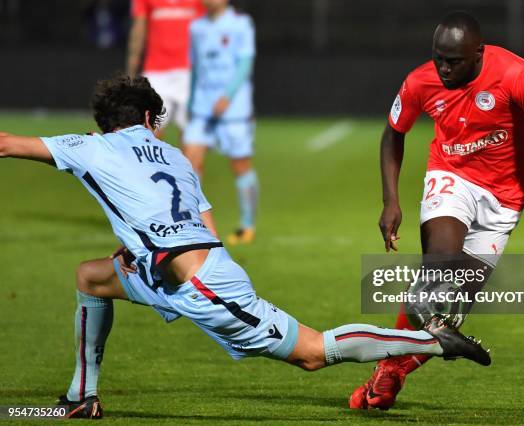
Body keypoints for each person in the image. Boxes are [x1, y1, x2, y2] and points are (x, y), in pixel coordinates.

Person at [0, 74, 490, 419]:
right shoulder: (173, 155)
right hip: (185, 268)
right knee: (92, 276)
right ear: (149, 117)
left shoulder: (90, 145)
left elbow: (6, 143)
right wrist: (143, 248)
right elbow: (198, 220)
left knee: (313, 353)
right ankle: (81, 398)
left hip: (205, 286)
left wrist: (149, 245)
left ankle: (432, 341)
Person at [348, 11, 524, 410]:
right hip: (451, 178)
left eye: (453, 61)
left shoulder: (515, 75)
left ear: (478, 54)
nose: (443, 67)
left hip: (505, 200)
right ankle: (426, 320)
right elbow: (393, 134)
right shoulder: (421, 80)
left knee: (452, 306)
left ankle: (391, 372)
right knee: (439, 272)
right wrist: (391, 200)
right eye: (439, 58)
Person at [183, 0, 258, 245]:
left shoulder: (240, 24)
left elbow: (244, 64)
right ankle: (193, 222)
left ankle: (247, 225)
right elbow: (195, 69)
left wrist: (228, 96)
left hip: (233, 109)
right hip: (203, 109)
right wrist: (192, 103)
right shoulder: (196, 27)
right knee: (190, 162)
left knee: (240, 166)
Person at [126, 0, 205, 135]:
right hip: (156, 70)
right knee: (150, 130)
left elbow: (206, 29)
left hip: (189, 71)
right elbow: (139, 28)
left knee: (191, 132)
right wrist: (132, 67)